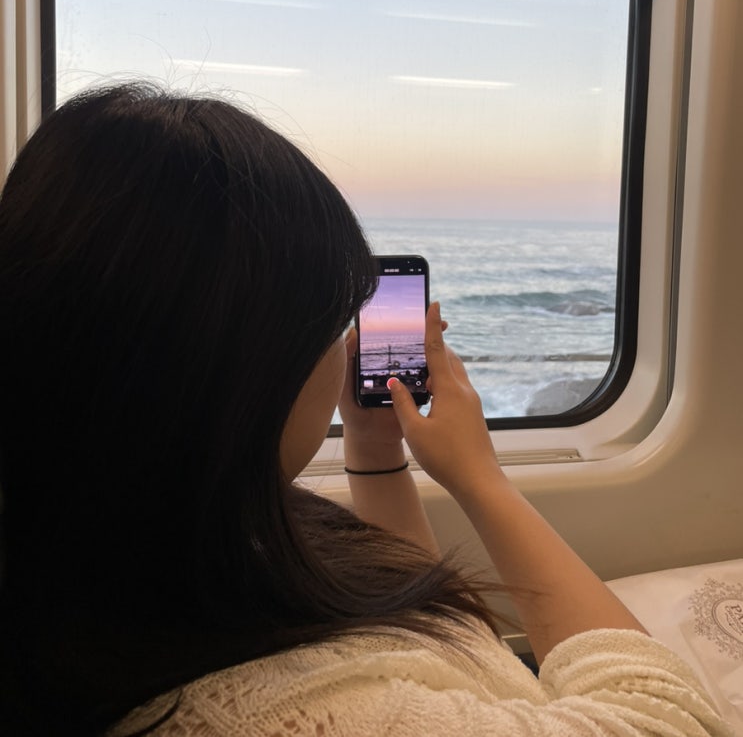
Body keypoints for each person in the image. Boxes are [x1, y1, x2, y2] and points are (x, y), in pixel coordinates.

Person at [0, 83, 729, 737]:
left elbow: (416, 617)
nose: (339, 347)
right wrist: (481, 479)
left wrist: (376, 452)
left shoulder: (160, 530)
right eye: (325, 324)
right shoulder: (292, 713)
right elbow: (667, 719)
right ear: (250, 367)